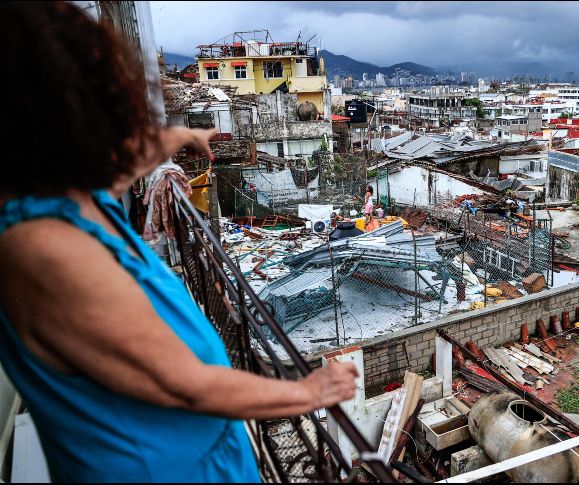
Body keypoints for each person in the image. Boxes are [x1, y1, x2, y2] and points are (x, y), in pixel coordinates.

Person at [0, 3, 357, 482]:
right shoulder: (45, 249)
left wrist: (178, 137)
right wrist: (308, 393)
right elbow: (185, 385)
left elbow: (121, 168)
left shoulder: (69, 201)